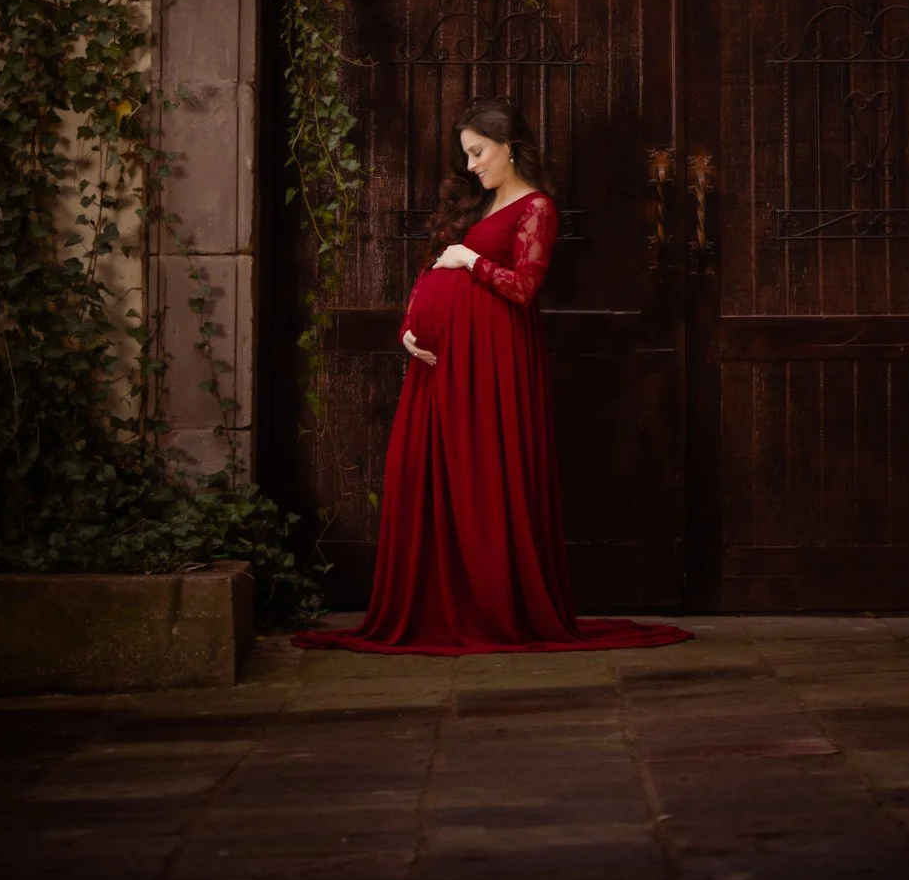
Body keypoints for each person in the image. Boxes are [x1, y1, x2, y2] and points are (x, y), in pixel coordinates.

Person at [292, 96, 692, 654]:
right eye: (467, 155)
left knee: (483, 469)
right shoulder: (476, 203)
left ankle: (489, 605)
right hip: (441, 361)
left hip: (493, 360)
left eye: (478, 152)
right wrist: (410, 326)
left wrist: (471, 262)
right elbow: (432, 267)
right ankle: (439, 601)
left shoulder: (537, 209)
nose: (472, 164)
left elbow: (524, 288)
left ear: (509, 146)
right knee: (425, 471)